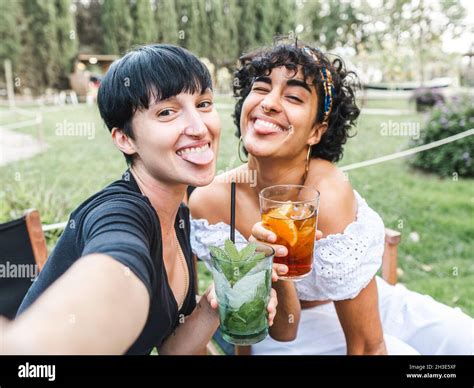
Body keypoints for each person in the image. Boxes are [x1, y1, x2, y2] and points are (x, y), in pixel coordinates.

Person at [188, 40, 473, 355]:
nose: (268, 103)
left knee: (466, 339)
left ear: (316, 131)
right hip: (285, 333)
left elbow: (366, 345)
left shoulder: (326, 191)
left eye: (294, 96)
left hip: (366, 303)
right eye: (261, 88)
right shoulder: (209, 201)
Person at [0, 44, 281, 355]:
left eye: (203, 103)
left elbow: (171, 350)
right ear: (125, 138)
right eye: (166, 112)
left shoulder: (178, 214)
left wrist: (216, 302)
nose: (200, 128)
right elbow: (114, 270)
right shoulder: (119, 213)